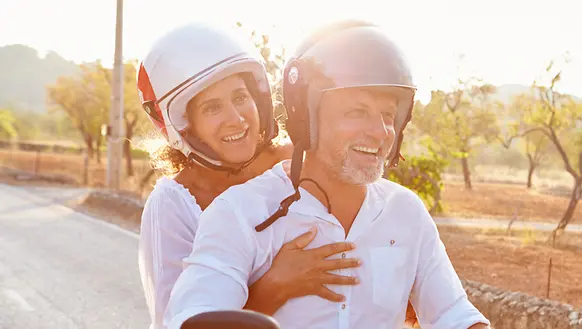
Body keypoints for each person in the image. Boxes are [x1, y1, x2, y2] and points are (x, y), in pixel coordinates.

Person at [163, 20, 491, 329]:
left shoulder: (407, 212)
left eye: (388, 115)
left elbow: (453, 313)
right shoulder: (239, 213)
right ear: (308, 119)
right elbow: (197, 312)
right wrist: (269, 290)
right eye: (357, 112)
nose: (380, 132)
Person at [135, 22, 363, 329]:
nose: (236, 118)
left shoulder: (301, 162)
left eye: (241, 97)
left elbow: (370, 234)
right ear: (186, 125)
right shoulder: (174, 203)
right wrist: (276, 285)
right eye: (212, 107)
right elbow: (178, 323)